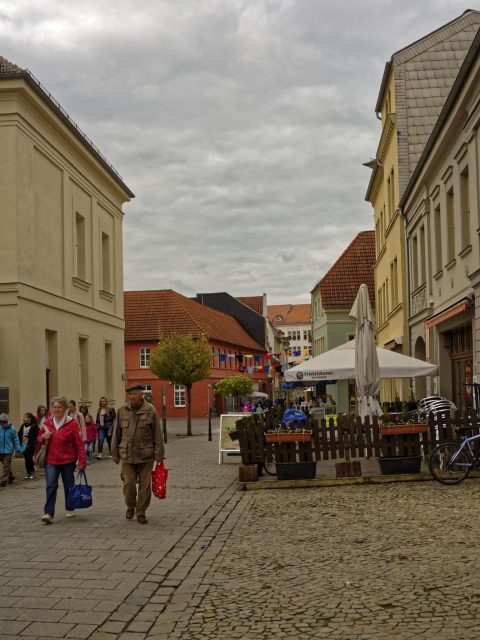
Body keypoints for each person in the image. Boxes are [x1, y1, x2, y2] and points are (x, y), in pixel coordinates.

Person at [111, 384, 164, 525]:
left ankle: (141, 512)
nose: (132, 397)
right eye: (130, 394)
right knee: (128, 483)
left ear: (142, 395)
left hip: (146, 455)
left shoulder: (150, 410)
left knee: (144, 487)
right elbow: (117, 433)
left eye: (135, 394)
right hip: (127, 454)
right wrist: (114, 452)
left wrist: (159, 456)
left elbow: (157, 434)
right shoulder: (122, 410)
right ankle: (130, 505)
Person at [37, 396, 86, 524]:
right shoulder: (47, 422)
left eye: (59, 407)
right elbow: (38, 439)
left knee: (69, 485)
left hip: (68, 460)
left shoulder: (72, 423)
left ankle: (70, 507)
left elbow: (79, 443)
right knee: (51, 485)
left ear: (65, 409)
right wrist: (43, 436)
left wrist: (82, 461)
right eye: (54, 407)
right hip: (51, 460)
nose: (56, 410)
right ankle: (48, 513)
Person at [0, 413, 24, 486]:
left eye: (3, 422)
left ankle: (4, 480)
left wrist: (18, 449)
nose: (2, 424)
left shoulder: (12, 429)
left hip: (8, 451)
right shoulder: (0, 429)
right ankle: (11, 477)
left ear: (6, 422)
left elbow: (16, 440)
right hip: (0, 450)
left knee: (6, 465)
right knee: (5, 465)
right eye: (0, 422)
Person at [18, 413, 39, 479]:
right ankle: (28, 473)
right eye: (23, 417)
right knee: (26, 459)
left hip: (31, 445)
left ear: (29, 418)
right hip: (24, 445)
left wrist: (34, 442)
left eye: (25, 417)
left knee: (29, 458)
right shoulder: (22, 426)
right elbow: (19, 434)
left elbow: (37, 436)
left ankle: (32, 472)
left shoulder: (34, 426)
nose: (24, 419)